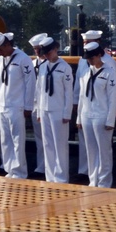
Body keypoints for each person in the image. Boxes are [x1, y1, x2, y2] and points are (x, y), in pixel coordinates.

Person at [0, 31, 36, 179]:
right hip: (2, 105)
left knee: (17, 140)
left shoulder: (23, 59)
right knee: (5, 140)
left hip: (17, 105)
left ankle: (20, 171)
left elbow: (30, 83)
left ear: (8, 44)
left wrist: (28, 105)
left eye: (0, 49)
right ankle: (9, 169)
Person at [76, 40, 116, 188]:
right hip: (87, 115)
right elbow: (82, 96)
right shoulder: (86, 73)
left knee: (104, 151)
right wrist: (79, 117)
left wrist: (110, 121)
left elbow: (113, 98)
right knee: (91, 150)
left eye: (92, 58)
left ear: (99, 55)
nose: (89, 61)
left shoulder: (109, 73)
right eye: (88, 58)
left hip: (102, 115)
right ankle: (93, 179)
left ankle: (105, 181)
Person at [34, 36, 74, 184]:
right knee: (48, 144)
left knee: (60, 145)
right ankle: (50, 176)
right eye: (44, 53)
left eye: (48, 52)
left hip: (58, 110)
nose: (46, 55)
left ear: (55, 49)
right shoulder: (43, 67)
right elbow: (39, 90)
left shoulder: (65, 68)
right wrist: (38, 111)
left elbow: (68, 93)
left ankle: (61, 177)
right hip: (45, 109)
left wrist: (66, 113)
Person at [73, 29, 104, 179]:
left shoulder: (108, 63)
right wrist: (75, 103)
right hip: (85, 106)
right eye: (84, 43)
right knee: (85, 142)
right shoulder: (82, 60)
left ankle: (101, 175)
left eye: (89, 43)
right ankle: (85, 171)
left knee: (100, 146)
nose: (86, 45)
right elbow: (79, 84)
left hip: (100, 109)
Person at [27, 32, 49, 175]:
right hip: (35, 105)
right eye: (35, 49)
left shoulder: (50, 64)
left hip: (47, 105)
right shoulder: (32, 64)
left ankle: (50, 166)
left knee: (49, 139)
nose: (37, 51)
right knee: (39, 138)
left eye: (38, 48)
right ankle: (41, 165)